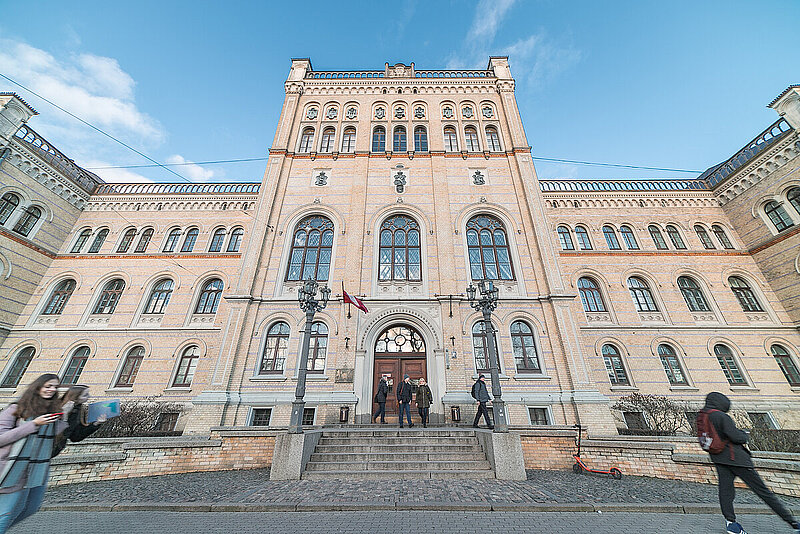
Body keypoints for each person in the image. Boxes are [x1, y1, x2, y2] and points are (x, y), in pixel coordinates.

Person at [700, 392, 799, 534]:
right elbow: (735, 437)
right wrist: (745, 435)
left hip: (718, 458)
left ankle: (731, 523)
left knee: (726, 492)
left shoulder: (703, 416)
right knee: (763, 491)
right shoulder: (722, 416)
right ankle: (793, 523)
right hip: (737, 459)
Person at [0, 374, 69, 533]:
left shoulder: (49, 411)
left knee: (31, 508)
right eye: (48, 386)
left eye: (55, 387)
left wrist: (63, 418)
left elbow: (50, 441)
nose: (52, 390)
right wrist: (33, 424)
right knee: (6, 513)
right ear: (37, 387)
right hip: (11, 468)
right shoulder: (16, 409)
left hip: (37, 470)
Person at [53, 385, 107, 457]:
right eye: (85, 395)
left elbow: (76, 436)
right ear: (75, 397)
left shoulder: (79, 410)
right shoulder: (56, 407)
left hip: (55, 450)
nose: (89, 397)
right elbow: (55, 431)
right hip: (44, 447)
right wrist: (64, 415)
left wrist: (96, 423)